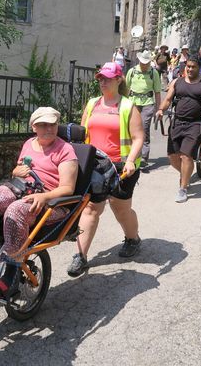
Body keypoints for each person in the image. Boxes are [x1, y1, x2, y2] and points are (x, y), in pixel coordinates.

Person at [0, 106, 78, 297]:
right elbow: (19, 170)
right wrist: (15, 172)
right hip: (20, 188)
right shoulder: (28, 144)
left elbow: (68, 188)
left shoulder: (65, 150)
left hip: (51, 201)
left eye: (52, 124)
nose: (49, 128)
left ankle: (10, 276)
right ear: (34, 126)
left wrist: (43, 196)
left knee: (15, 211)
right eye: (43, 125)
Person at [67, 62, 144, 277]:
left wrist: (130, 160)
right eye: (100, 78)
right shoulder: (92, 104)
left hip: (121, 166)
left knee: (120, 209)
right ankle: (81, 256)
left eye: (107, 78)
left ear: (119, 79)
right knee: (91, 208)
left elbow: (138, 138)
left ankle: (133, 239)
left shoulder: (128, 106)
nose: (102, 82)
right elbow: (82, 134)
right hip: (96, 164)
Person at [156, 55, 201, 203]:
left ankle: (183, 188)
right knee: (172, 157)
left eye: (193, 67)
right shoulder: (177, 82)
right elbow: (168, 99)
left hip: (195, 124)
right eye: (188, 66)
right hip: (177, 122)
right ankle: (186, 174)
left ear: (199, 68)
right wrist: (160, 110)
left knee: (186, 156)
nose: (189, 69)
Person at [126, 50, 162, 169]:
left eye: (146, 63)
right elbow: (125, 89)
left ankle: (144, 158)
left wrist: (159, 109)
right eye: (143, 62)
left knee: (144, 128)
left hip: (148, 103)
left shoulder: (153, 73)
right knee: (131, 129)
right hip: (133, 103)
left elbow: (157, 92)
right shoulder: (132, 72)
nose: (144, 65)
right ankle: (134, 155)